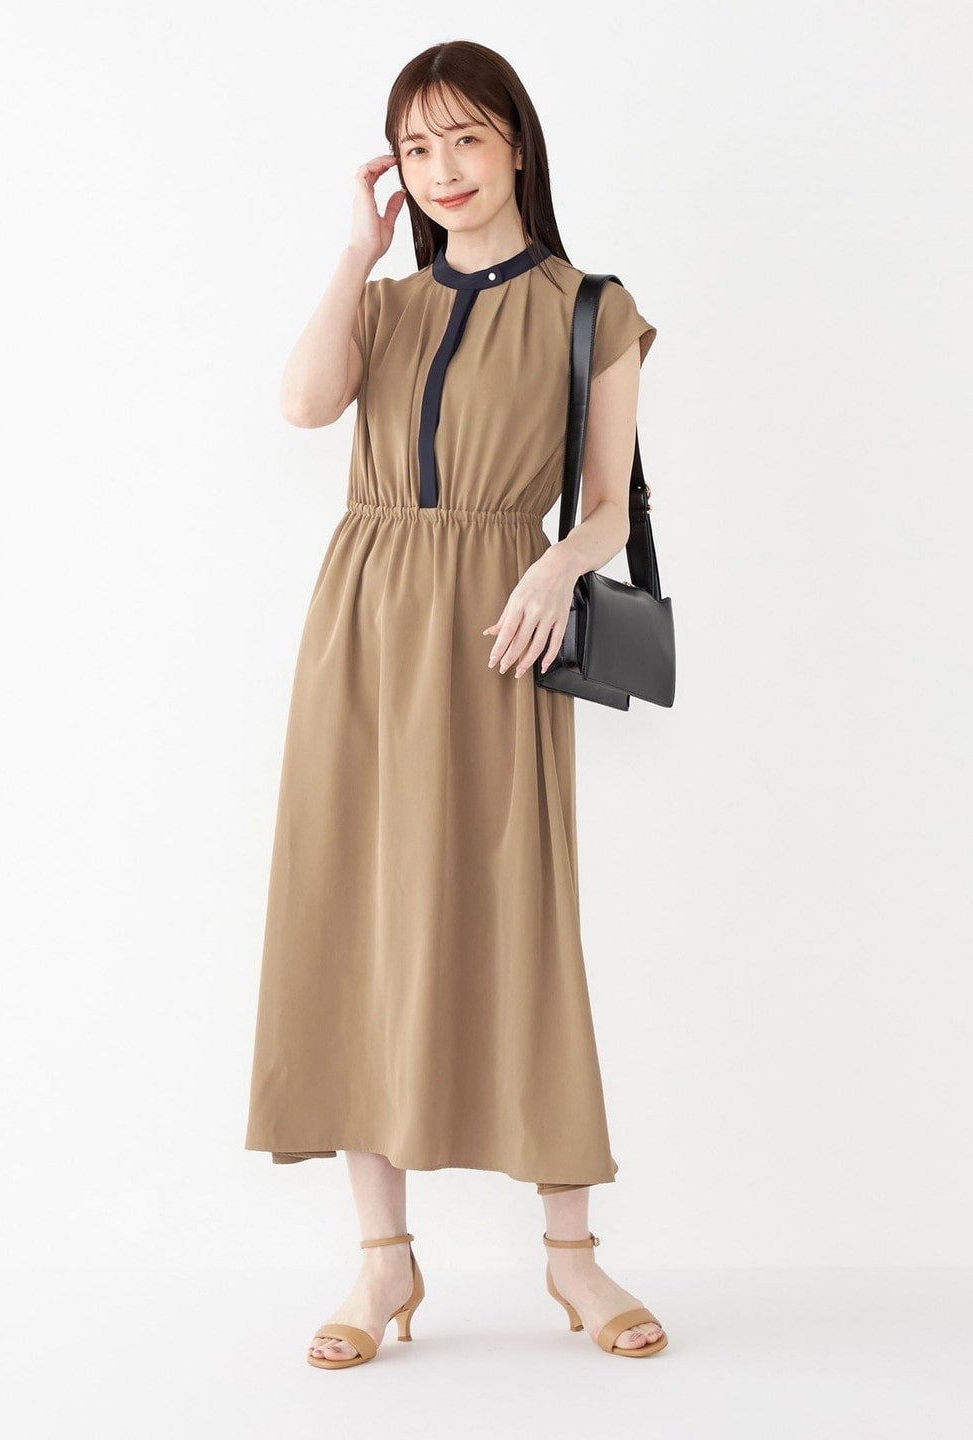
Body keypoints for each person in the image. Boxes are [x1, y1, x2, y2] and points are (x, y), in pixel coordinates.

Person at [244, 39, 667, 1367]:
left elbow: (610, 507)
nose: (443, 170)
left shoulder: (590, 307)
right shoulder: (383, 307)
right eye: (415, 149)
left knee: (520, 917)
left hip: (499, 630)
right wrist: (354, 253)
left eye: (465, 139)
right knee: (352, 919)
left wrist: (553, 563)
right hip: (362, 624)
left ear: (517, 144)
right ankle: (383, 1263)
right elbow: (303, 405)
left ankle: (572, 1257)